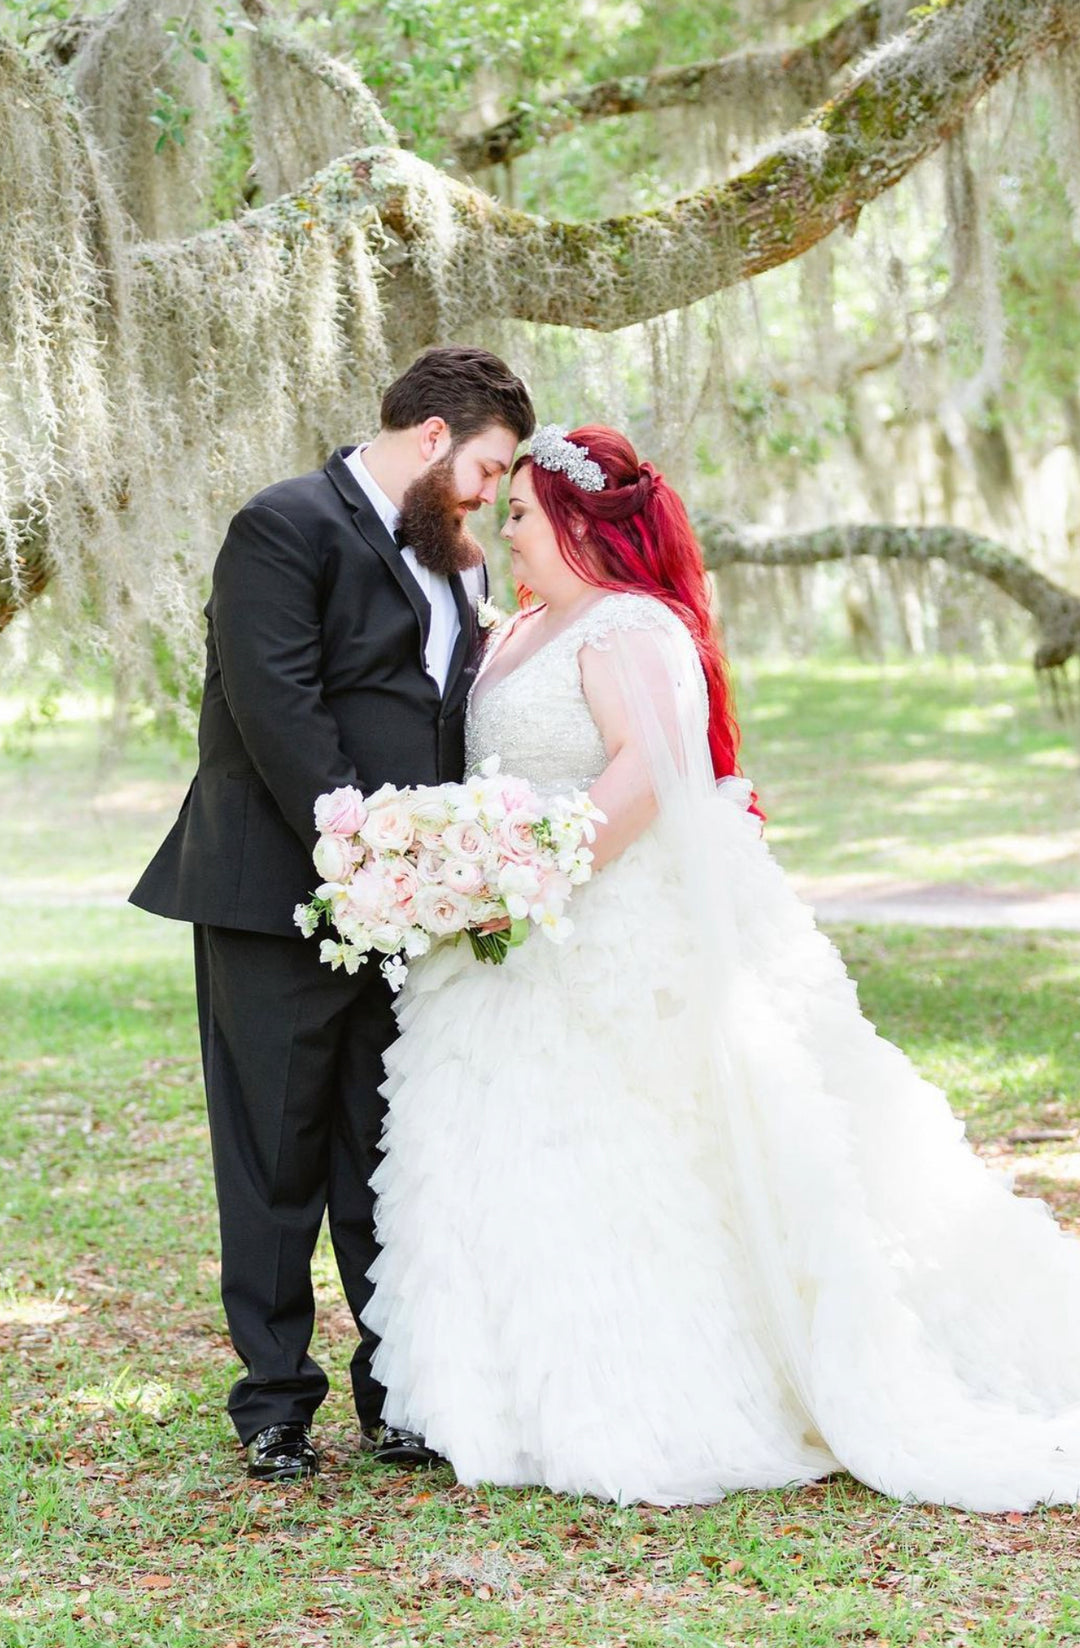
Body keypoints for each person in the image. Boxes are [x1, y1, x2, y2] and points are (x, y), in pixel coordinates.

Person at [360, 423, 1080, 1511]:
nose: (501, 524)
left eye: (518, 509)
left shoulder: (630, 628)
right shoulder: (516, 631)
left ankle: (650, 1387)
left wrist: (530, 875)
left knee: (639, 1157)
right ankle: (508, 1395)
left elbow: (650, 771)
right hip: (505, 948)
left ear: (573, 517)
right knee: (514, 1155)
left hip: (603, 931)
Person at [129, 347, 535, 1481]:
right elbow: (279, 706)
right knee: (271, 1155)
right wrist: (363, 855)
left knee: (379, 1152)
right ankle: (274, 1404)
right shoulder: (283, 524)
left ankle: (393, 1393)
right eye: (489, 469)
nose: (494, 496)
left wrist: (443, 868)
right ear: (430, 439)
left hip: (408, 913)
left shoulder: (449, 557)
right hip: (279, 897)